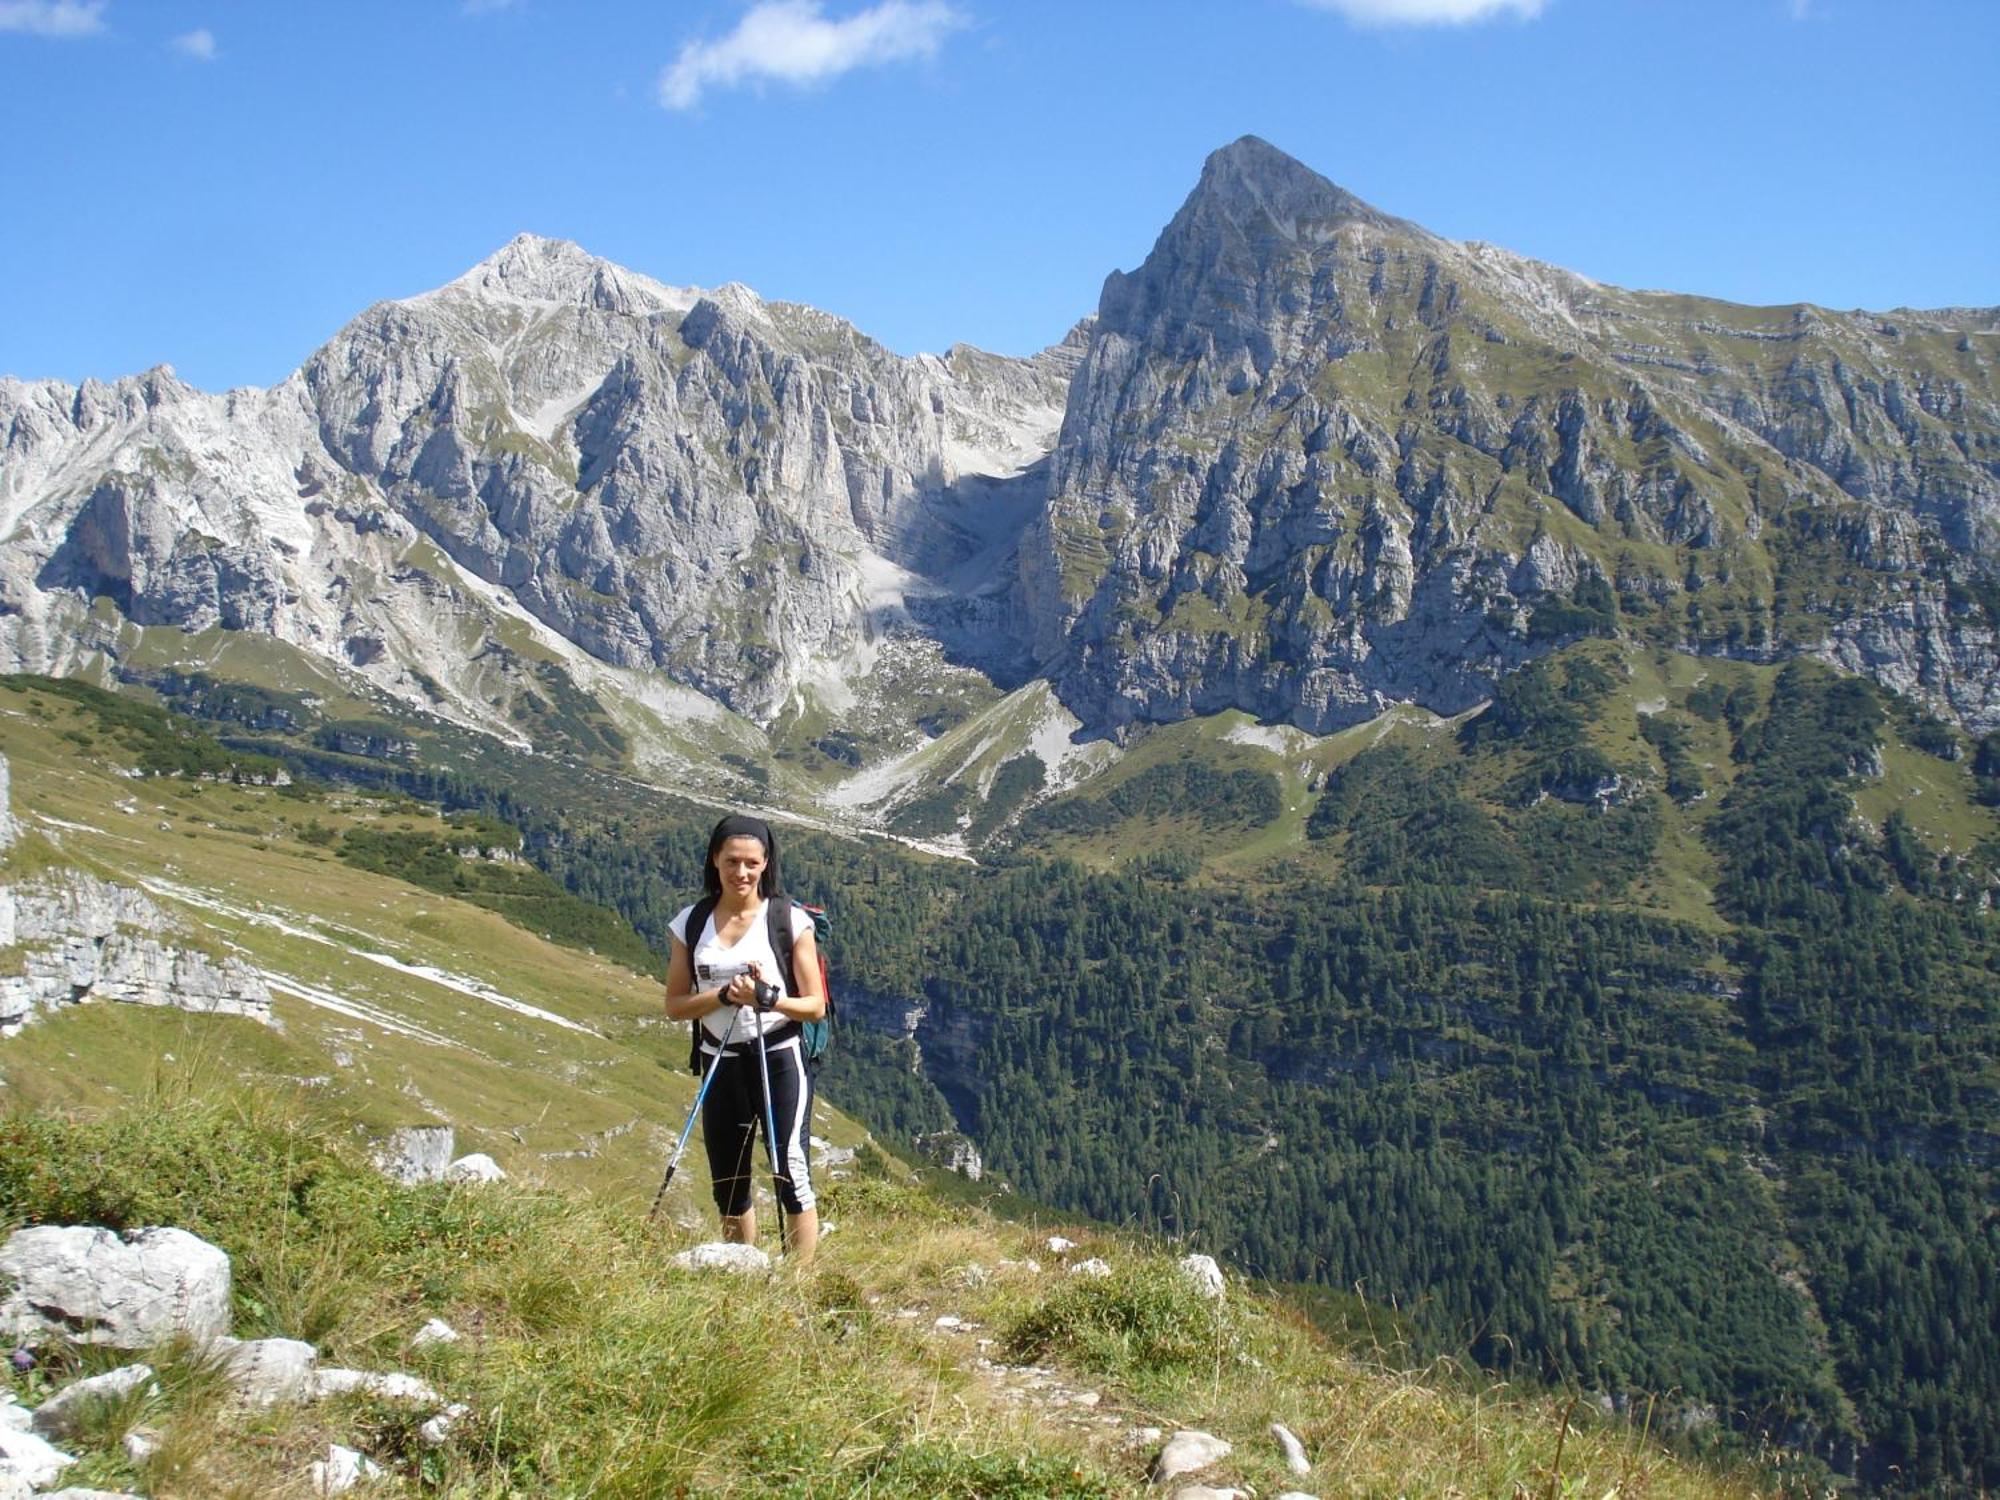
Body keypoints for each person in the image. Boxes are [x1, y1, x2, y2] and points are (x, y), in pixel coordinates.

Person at [663, 814, 825, 1263]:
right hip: (720, 1058)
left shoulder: (788, 922)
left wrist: (766, 998)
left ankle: (799, 1284)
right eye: (732, 861)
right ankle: (742, 1273)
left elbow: (814, 1006)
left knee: (790, 1171)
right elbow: (675, 1006)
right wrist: (722, 996)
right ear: (714, 860)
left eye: (752, 863)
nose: (742, 872)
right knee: (727, 1181)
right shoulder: (690, 925)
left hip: (778, 1056)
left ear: (766, 864)